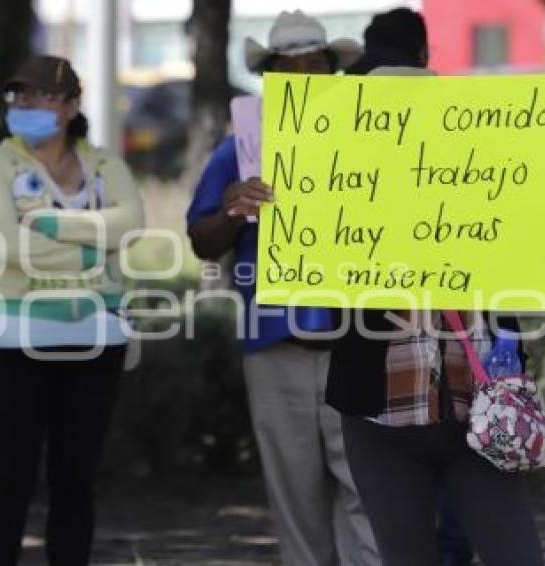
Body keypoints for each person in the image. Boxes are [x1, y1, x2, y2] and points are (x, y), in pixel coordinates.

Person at [326, 9, 545, 566]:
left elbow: (537, 227)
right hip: (379, 416)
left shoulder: (484, 169)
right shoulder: (338, 183)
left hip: (479, 407)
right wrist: (261, 200)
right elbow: (299, 261)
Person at [187, 11, 381, 566]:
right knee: (295, 501)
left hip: (359, 342)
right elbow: (202, 240)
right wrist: (231, 206)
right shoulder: (239, 150)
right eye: (288, 69)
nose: (302, 77)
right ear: (270, 79)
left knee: (369, 494)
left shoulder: (375, 143)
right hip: (274, 347)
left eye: (314, 66)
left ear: (333, 74)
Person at [0, 54, 144, 565]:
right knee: (9, 480)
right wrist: (93, 250)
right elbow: (1, 242)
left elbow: (130, 224)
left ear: (68, 107)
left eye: (38, 95)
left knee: (76, 482)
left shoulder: (107, 166)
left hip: (97, 338)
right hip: (10, 338)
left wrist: (43, 225)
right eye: (17, 94)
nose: (24, 103)